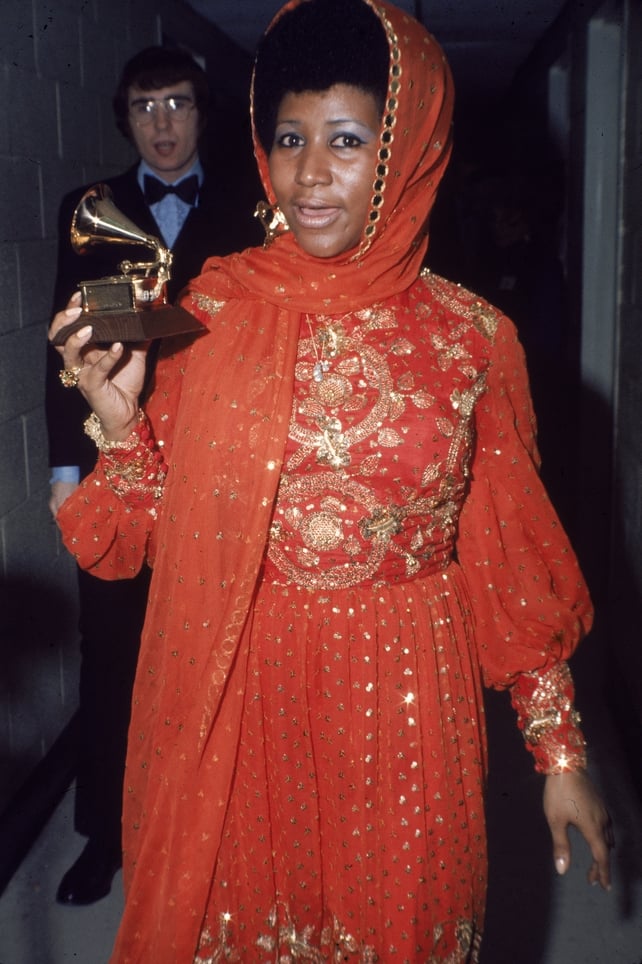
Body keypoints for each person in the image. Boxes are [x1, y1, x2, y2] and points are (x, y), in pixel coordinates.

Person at [50, 1, 613, 960]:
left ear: (408, 148)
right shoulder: (216, 308)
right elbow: (133, 535)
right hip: (244, 702)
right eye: (290, 139)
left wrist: (559, 754)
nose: (310, 174)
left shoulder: (471, 340)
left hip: (408, 710)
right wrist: (118, 421)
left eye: (346, 141)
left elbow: (507, 560)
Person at [45, 45, 261, 906]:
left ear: (205, 113)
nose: (163, 123)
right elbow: (61, 348)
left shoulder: (257, 207)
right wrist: (68, 466)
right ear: (124, 118)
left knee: (223, 650)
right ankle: (107, 835)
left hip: (221, 469)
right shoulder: (86, 210)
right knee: (113, 653)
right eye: (145, 106)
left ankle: (222, 834)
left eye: (178, 103)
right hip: (118, 465)